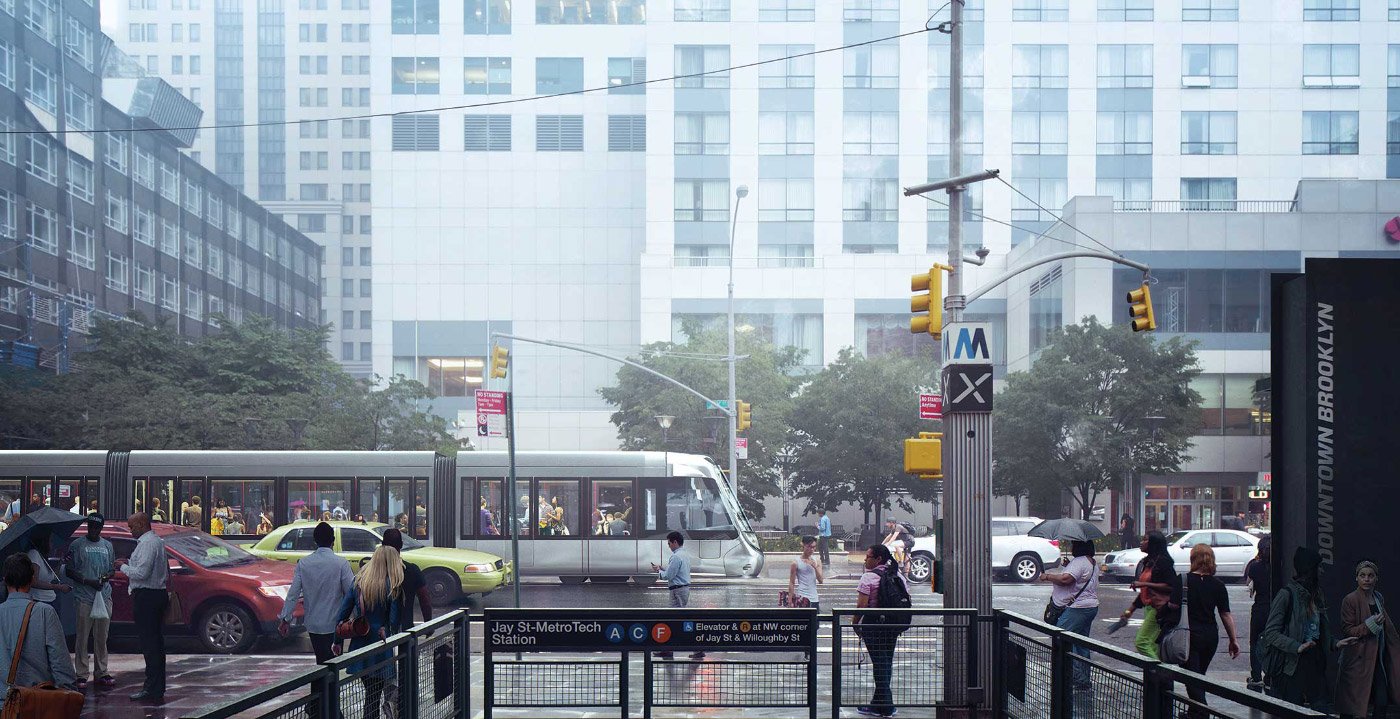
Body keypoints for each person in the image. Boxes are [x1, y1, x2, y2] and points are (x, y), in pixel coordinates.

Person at [1262, 546, 1359, 708]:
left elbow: (1316, 631)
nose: (1321, 571)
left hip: (1315, 661)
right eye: (1318, 567)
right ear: (1309, 570)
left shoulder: (1317, 595)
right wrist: (1297, 647)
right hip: (1293, 666)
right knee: (1293, 710)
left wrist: (1335, 643)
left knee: (1321, 708)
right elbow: (1271, 633)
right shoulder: (1286, 595)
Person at [338, 545, 403, 719]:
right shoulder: (392, 586)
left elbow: (342, 614)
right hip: (382, 644)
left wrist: (337, 641)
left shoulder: (358, 582)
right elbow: (394, 620)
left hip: (360, 642)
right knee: (375, 693)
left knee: (371, 692)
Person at [0, 553, 76, 701]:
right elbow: (61, 666)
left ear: (5, 580)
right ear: (31, 580)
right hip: (35, 703)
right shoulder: (44, 612)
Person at [278, 522, 354, 666]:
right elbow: (351, 592)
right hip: (335, 624)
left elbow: (293, 594)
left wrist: (285, 619)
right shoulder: (341, 564)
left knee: (321, 661)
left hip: (313, 624)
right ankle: (329, 688)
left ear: (315, 541)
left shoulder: (304, 563)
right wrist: (358, 618)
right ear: (333, 540)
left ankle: (320, 687)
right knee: (334, 663)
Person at [1181, 544, 1240, 718]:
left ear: (1193, 559)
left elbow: (1173, 606)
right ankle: (1194, 713)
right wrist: (1233, 639)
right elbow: (1225, 614)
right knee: (1199, 675)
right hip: (1210, 637)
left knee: (1191, 677)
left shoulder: (1183, 580)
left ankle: (1202, 713)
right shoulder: (1218, 585)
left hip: (1188, 635)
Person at [1337, 560, 1399, 719]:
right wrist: (1369, 625)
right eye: (1362, 575)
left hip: (1376, 658)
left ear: (1376, 578)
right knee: (1351, 705)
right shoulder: (1350, 600)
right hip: (1357, 660)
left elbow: (1387, 629)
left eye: (1370, 576)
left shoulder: (1378, 598)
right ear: (1356, 578)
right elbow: (1347, 630)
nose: (1366, 579)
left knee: (1381, 702)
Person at [119, 511, 170, 702]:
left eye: (131, 526)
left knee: (151, 645)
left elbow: (141, 573)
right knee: (154, 644)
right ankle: (154, 687)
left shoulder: (148, 543)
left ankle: (153, 689)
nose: (130, 530)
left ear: (141, 524)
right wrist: (129, 563)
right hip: (153, 595)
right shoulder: (151, 542)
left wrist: (122, 568)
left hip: (148, 597)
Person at [854, 543, 908, 718]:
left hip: (873, 626)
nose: (865, 559)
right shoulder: (897, 575)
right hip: (892, 626)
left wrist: (855, 624)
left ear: (878, 559)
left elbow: (862, 606)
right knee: (886, 663)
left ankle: (887, 706)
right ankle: (877, 705)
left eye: (868, 556)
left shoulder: (868, 578)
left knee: (880, 664)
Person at [64, 513, 116, 689]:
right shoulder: (77, 545)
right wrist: (86, 581)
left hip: (103, 595)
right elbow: (69, 570)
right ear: (87, 527)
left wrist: (105, 577)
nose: (94, 530)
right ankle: (81, 673)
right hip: (84, 597)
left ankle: (102, 671)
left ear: (100, 528)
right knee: (82, 637)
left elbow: (112, 569)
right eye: (91, 527)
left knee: (102, 637)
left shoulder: (107, 546)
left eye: (97, 528)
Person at [1039, 539, 1099, 690]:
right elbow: (1079, 578)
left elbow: (1067, 579)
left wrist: (1047, 576)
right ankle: (1082, 680)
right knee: (1081, 644)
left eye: (1073, 544)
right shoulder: (1090, 562)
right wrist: (1069, 566)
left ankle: (1068, 676)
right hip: (1089, 607)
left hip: (1077, 608)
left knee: (1062, 639)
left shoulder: (1079, 561)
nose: (1071, 546)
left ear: (1079, 546)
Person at [1119, 531, 1181, 660]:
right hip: (1149, 607)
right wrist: (1130, 610)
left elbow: (1172, 585)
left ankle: (1161, 672)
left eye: (1146, 540)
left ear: (1154, 544)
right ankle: (1155, 677)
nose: (1142, 542)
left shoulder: (1163, 562)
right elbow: (1145, 591)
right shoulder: (1147, 562)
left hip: (1159, 609)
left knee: (1142, 642)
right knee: (1152, 646)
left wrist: (1144, 583)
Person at [651, 531, 701, 660]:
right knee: (677, 620)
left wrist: (659, 572)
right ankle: (670, 648)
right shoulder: (684, 555)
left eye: (669, 543)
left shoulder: (676, 557)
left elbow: (669, 575)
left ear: (675, 542)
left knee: (677, 621)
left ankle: (694, 648)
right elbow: (675, 572)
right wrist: (663, 569)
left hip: (677, 591)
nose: (669, 546)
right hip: (682, 589)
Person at [381, 528, 431, 631]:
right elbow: (424, 599)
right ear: (401, 545)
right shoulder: (412, 570)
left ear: (382, 544)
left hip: (379, 633)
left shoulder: (373, 572)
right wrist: (428, 625)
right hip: (405, 630)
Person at [1245, 536, 1274, 691]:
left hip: (1259, 608)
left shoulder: (1255, 567)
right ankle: (1269, 675)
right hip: (1274, 609)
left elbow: (1249, 580)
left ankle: (1256, 676)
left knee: (1255, 641)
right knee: (1272, 642)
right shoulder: (1278, 567)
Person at [25, 534, 72, 608]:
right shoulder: (34, 554)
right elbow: (33, 582)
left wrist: (61, 563)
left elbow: (52, 576)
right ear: (44, 542)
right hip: (38, 601)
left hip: (50, 599)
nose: (52, 544)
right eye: (50, 541)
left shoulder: (42, 556)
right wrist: (58, 587)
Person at [787, 536, 824, 611]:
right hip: (802, 598)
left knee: (815, 622)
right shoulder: (796, 562)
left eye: (813, 547)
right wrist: (790, 600)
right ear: (803, 545)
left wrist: (815, 567)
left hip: (814, 598)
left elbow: (821, 580)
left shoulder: (817, 561)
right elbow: (792, 582)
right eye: (809, 547)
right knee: (803, 622)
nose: (812, 549)